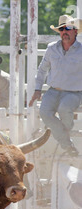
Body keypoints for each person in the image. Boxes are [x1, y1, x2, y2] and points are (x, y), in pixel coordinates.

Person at [29, 14, 82, 157]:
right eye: (62, 29)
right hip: (53, 91)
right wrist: (37, 89)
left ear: (75, 31)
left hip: (74, 93)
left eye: (68, 28)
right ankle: (67, 143)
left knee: (64, 108)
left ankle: (64, 138)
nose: (65, 31)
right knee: (44, 111)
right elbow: (42, 69)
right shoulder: (52, 48)